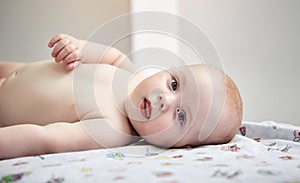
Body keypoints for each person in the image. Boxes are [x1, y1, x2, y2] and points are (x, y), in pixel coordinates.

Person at [0, 34, 242, 159]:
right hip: (13, 70)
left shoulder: (110, 129)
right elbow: (113, 56)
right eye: (174, 84)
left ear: (181, 145)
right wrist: (79, 48)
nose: (165, 100)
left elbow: (45, 138)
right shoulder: (134, 76)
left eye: (180, 116)